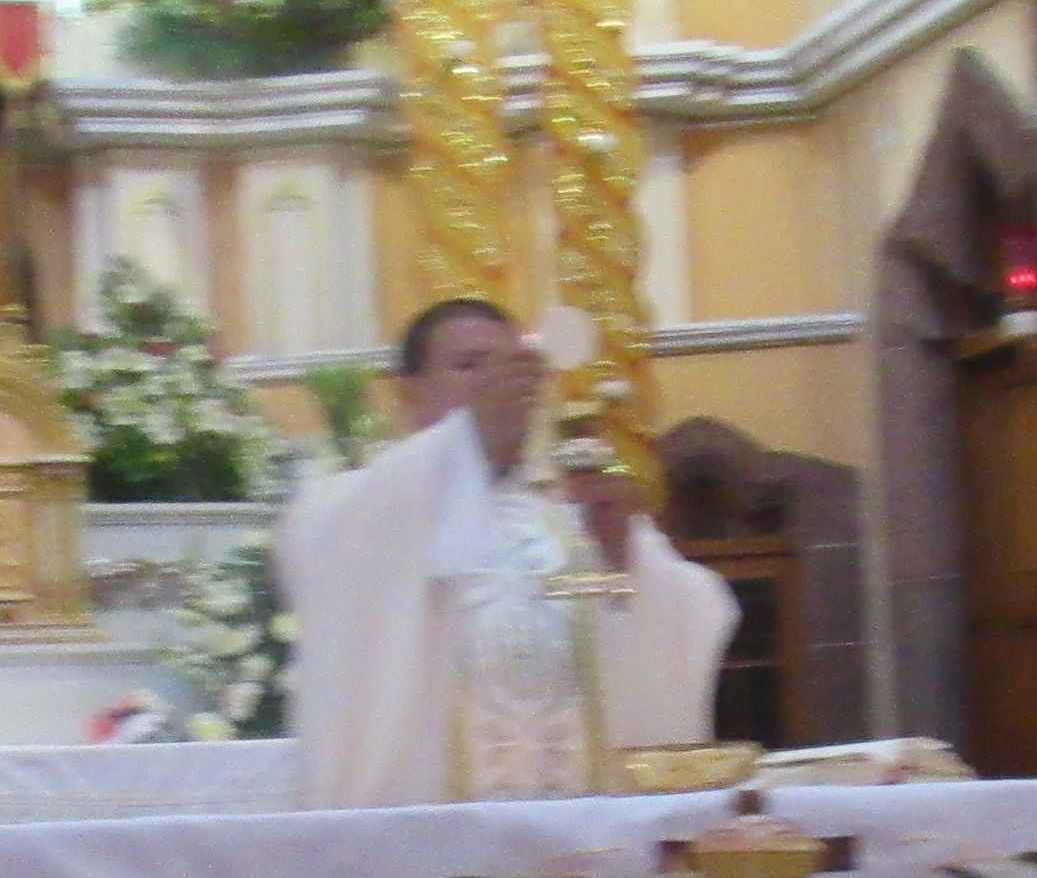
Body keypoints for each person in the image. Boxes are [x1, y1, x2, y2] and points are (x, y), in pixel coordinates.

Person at [272, 298, 736, 807]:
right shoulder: (359, 505)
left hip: (575, 834)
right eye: (469, 366)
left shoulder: (567, 508)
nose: (497, 386)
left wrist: (620, 560)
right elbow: (335, 568)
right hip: (430, 840)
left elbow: (686, 611)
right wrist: (468, 441)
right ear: (409, 392)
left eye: (512, 368)